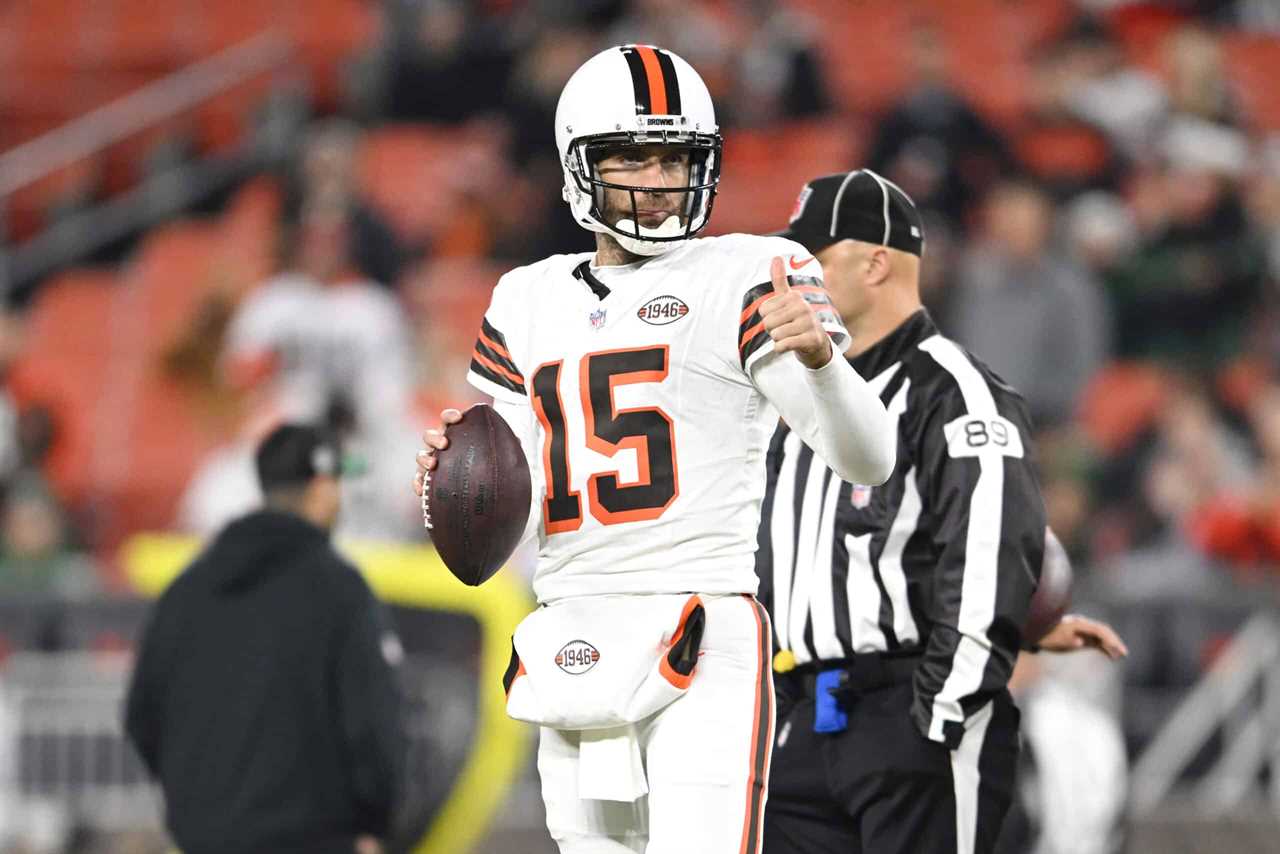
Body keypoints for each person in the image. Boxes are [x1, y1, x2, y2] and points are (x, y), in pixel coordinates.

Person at [414, 45, 895, 854]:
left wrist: (823, 361)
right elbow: (510, 510)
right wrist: (451, 486)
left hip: (700, 624)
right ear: (577, 165)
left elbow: (869, 459)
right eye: (631, 156)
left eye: (675, 158)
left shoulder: (749, 270)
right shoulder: (526, 298)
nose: (659, 179)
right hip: (571, 625)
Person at [755, 170, 1127, 854]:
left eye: (812, 260)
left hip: (907, 715)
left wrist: (939, 715)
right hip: (805, 720)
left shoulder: (955, 391)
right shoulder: (800, 395)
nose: (792, 279)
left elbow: (987, 552)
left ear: (875, 261)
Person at [125, 424, 406, 854]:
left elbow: (142, 716)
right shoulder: (339, 590)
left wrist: (194, 805)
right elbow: (371, 723)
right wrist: (375, 821)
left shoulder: (188, 589)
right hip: (318, 841)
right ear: (323, 488)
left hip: (204, 840)